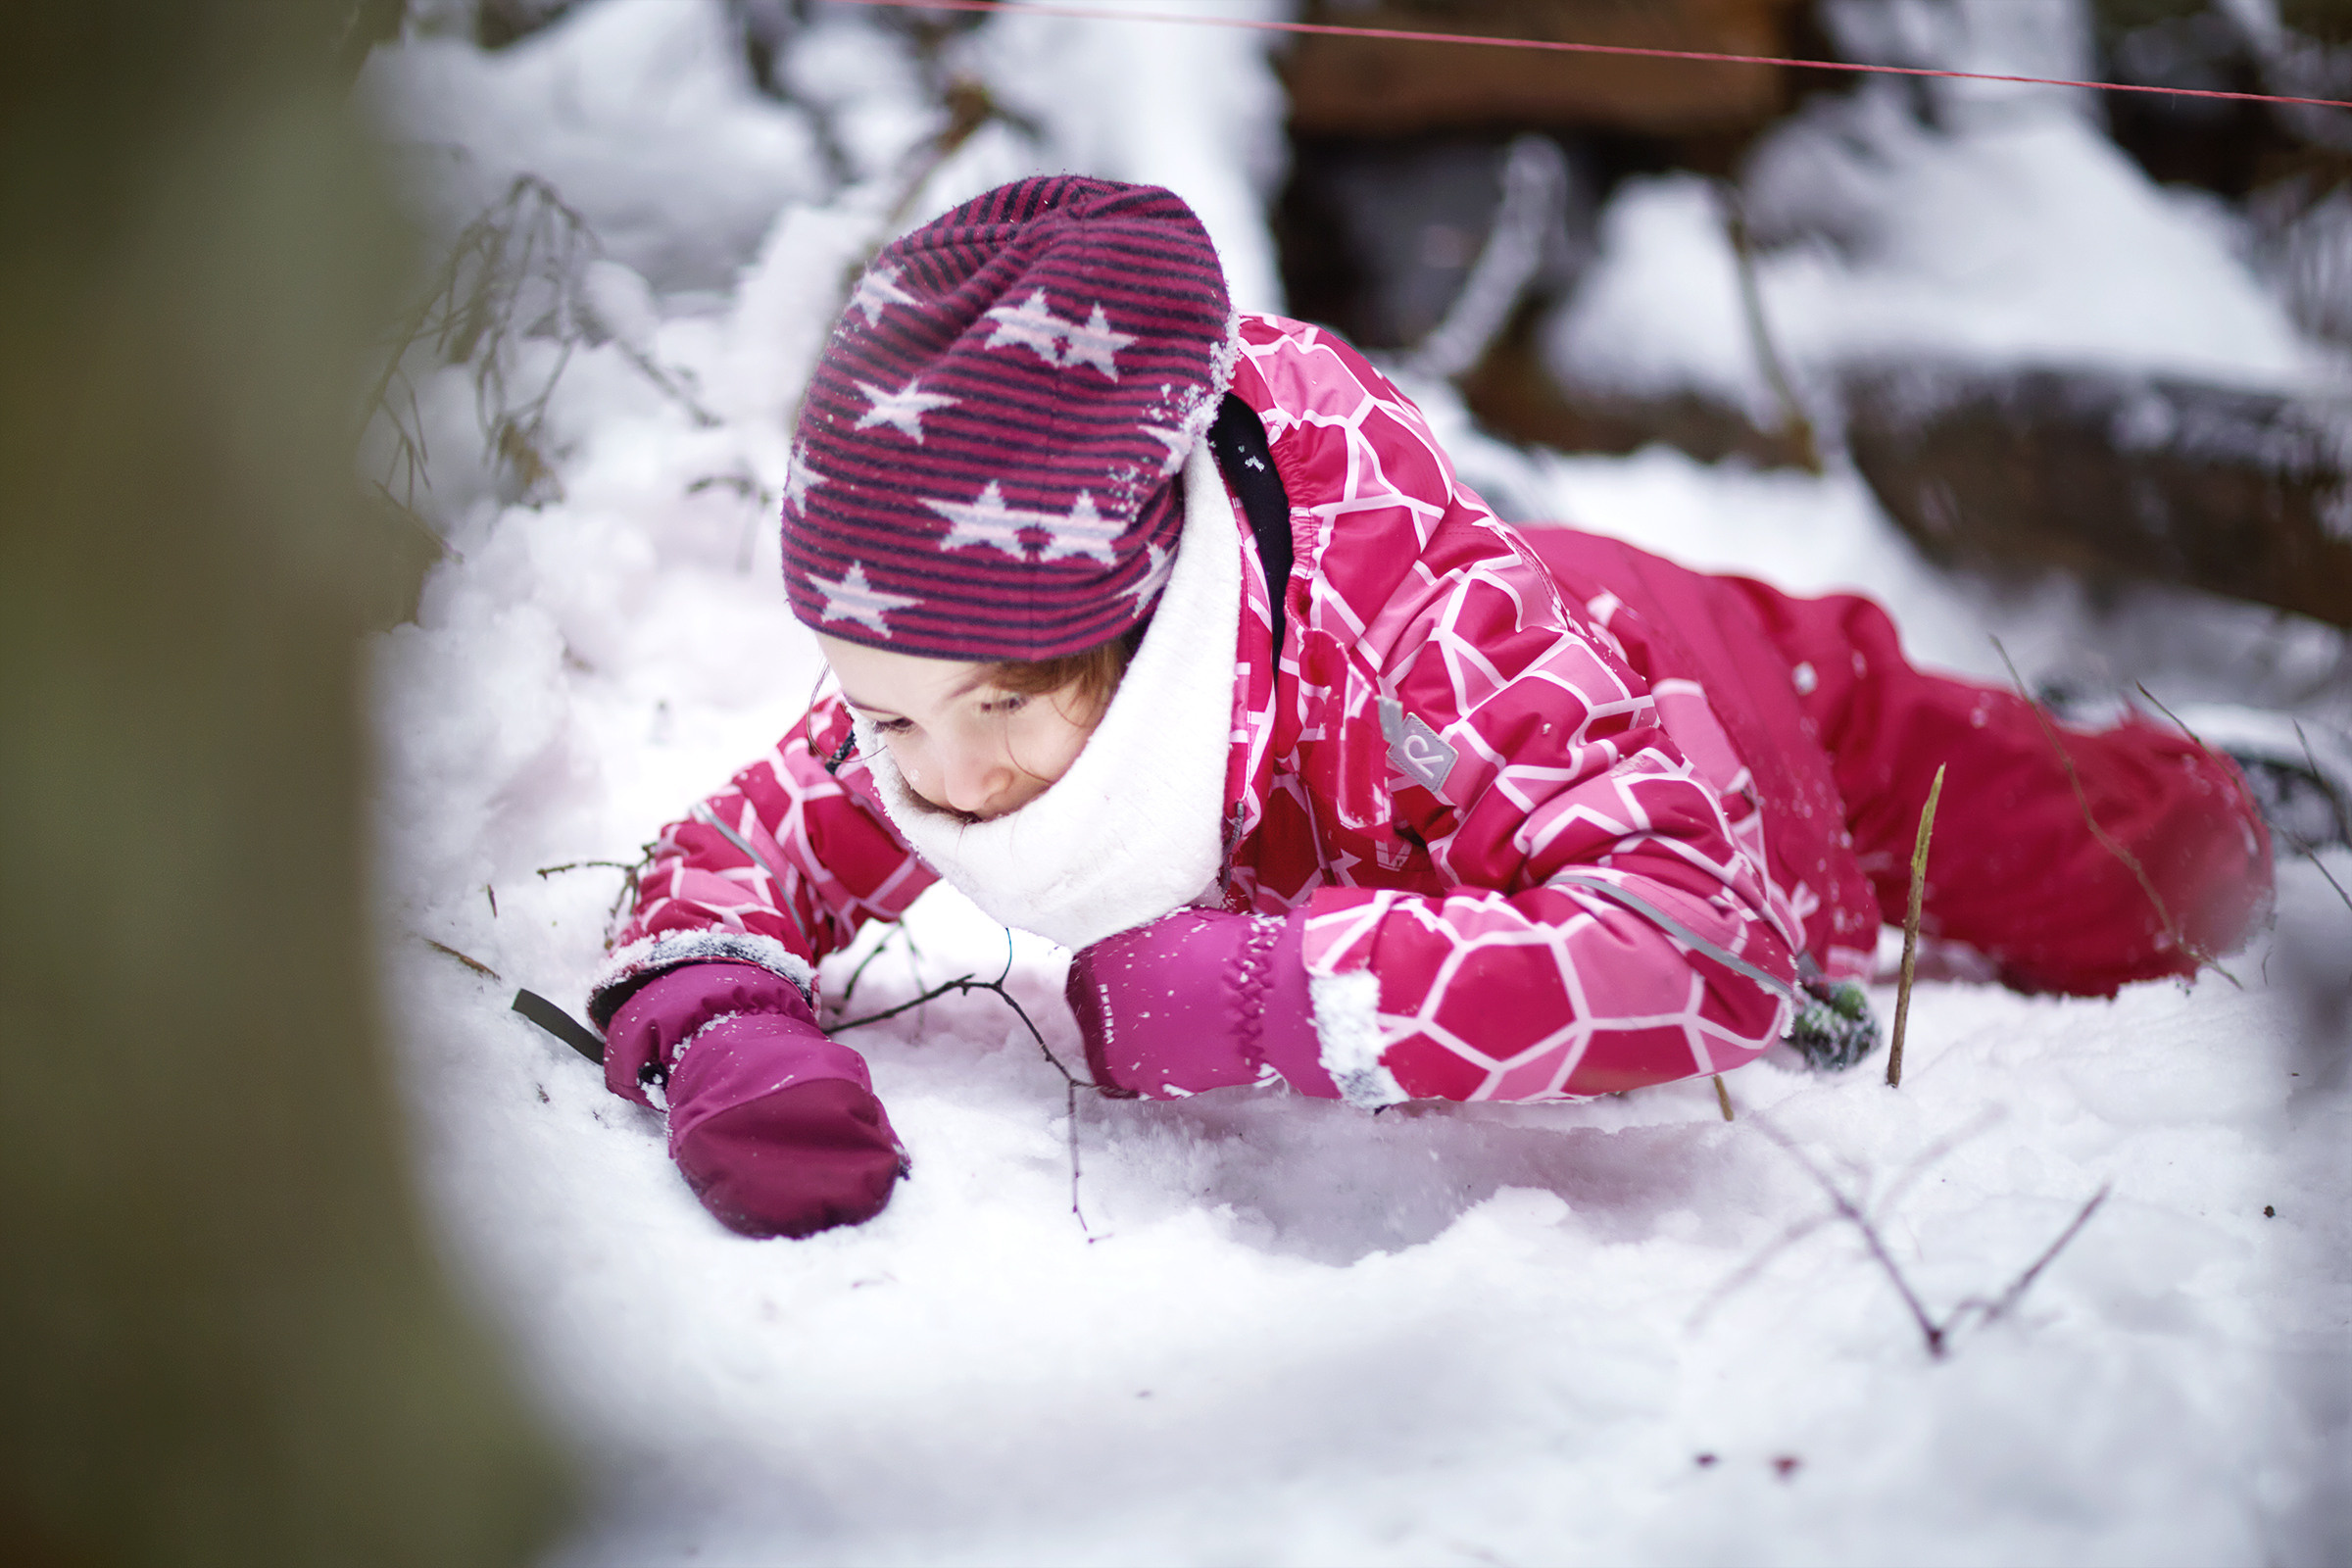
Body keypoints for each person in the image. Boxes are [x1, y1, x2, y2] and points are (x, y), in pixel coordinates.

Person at [584, 176, 2273, 1240]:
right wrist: (727, 1029)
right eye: (884, 719)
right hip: (1535, 646)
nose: (945, 786)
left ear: (1150, 610)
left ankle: (2270, 780)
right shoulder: (940, 665)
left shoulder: (1433, 644)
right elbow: (732, 857)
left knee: (2147, 861)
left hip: (1754, 706)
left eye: (1006, 707)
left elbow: (1715, 950)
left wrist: (1279, 993)